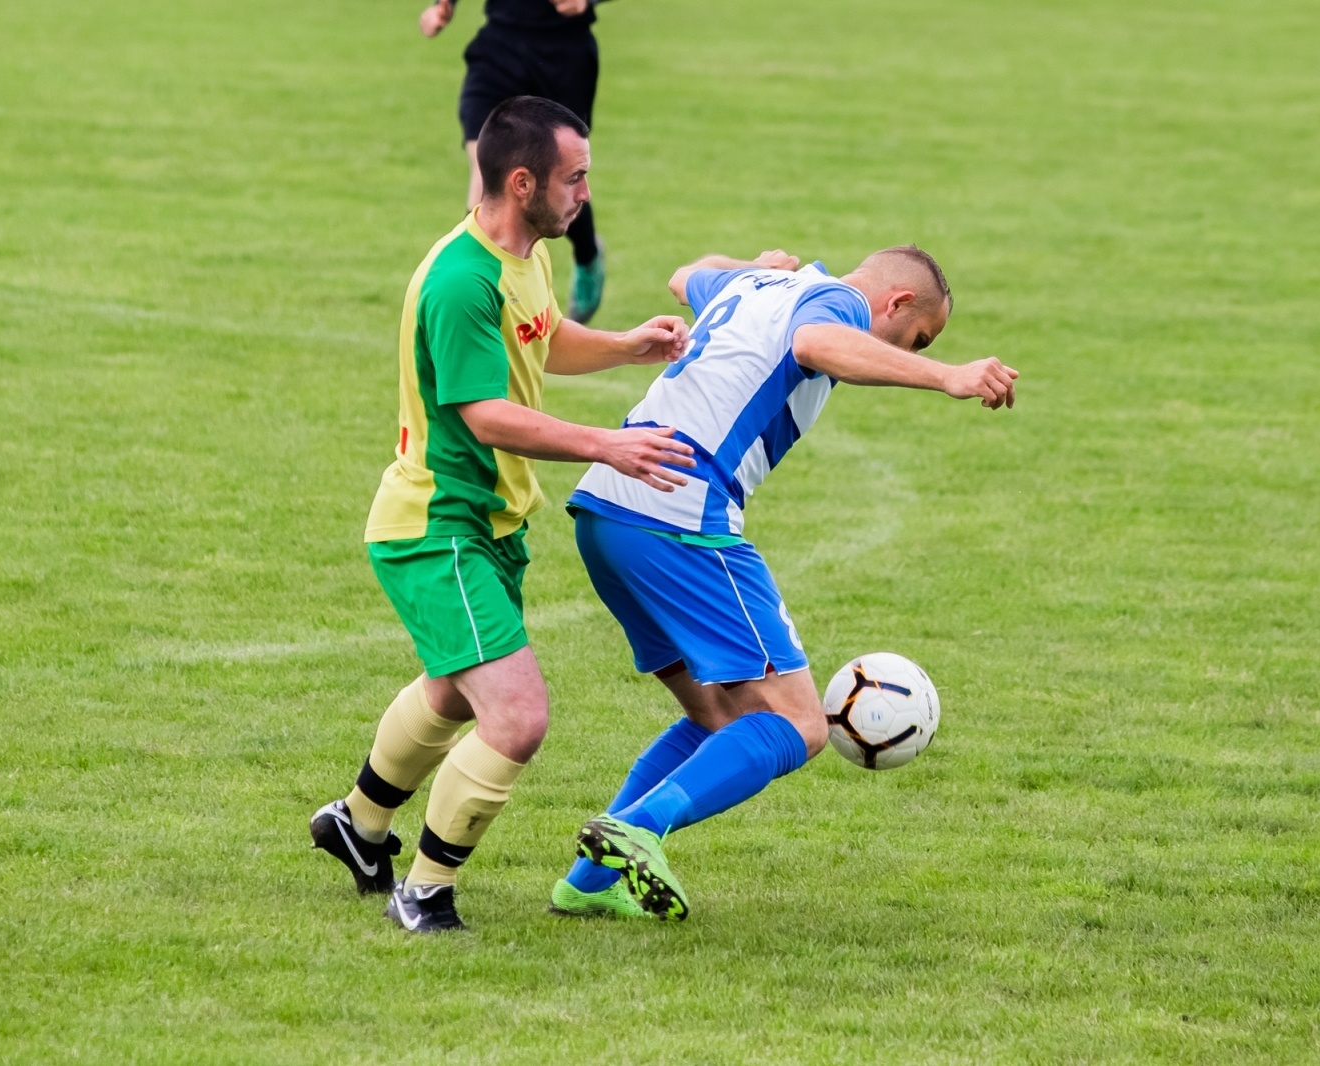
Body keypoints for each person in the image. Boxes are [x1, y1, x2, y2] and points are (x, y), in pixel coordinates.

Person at [309, 95, 695, 935]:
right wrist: (607, 444)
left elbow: (541, 336)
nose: (585, 192)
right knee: (516, 717)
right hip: (437, 527)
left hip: (491, 525)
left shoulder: (520, 254)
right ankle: (425, 892)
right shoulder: (459, 279)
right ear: (522, 183)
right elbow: (485, 414)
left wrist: (626, 343)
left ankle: (356, 826)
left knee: (452, 693)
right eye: (574, 178)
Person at [549, 245, 1020, 921]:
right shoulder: (839, 307)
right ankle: (640, 827)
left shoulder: (758, 284)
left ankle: (586, 884)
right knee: (798, 721)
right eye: (917, 337)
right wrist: (946, 375)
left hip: (605, 511)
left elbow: (683, 273)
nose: (911, 348)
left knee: (718, 714)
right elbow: (818, 341)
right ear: (896, 303)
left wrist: (752, 265)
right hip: (680, 513)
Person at [420, 0, 612, 323]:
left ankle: (588, 254)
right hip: (499, 50)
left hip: (562, 57)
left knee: (557, 176)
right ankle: (484, 298)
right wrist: (444, 5)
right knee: (486, 172)